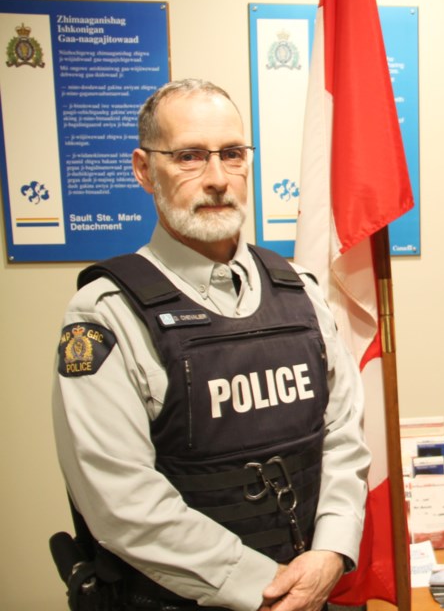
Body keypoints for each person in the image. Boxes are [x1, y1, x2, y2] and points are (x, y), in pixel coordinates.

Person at [52, 78, 371, 611]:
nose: (218, 179)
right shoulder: (107, 314)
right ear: (143, 169)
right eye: (189, 157)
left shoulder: (301, 292)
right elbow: (121, 500)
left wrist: (333, 551)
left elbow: (342, 437)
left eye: (232, 154)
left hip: (312, 588)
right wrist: (266, 588)